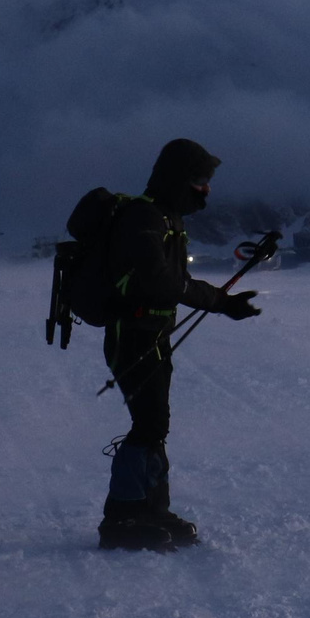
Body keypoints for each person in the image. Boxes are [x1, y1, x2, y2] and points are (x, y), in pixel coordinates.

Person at [98, 138, 261, 551]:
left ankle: (151, 508)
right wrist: (220, 302)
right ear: (178, 179)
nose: (206, 189)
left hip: (150, 334)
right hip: (131, 335)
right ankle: (122, 517)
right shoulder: (145, 218)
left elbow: (170, 284)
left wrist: (220, 302)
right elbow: (162, 282)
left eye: (207, 180)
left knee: (156, 425)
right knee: (149, 424)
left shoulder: (168, 218)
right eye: (200, 180)